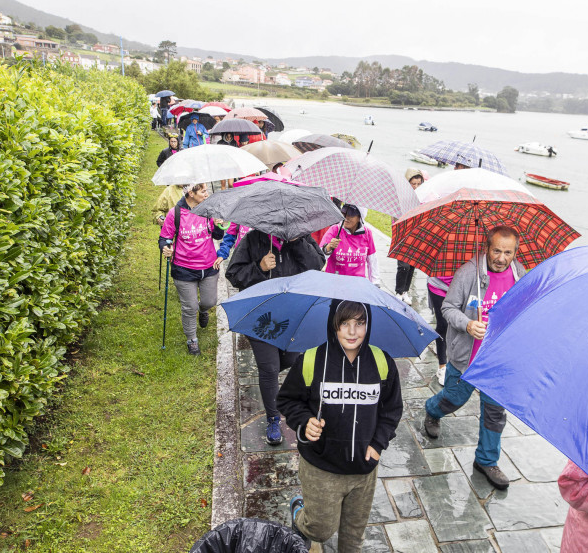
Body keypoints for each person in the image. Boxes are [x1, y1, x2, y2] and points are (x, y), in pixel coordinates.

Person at [278, 300, 402, 552]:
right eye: (344, 323)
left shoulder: (381, 362)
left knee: (353, 537)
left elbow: (392, 409)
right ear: (333, 325)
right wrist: (305, 422)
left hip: (363, 469)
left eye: (360, 323)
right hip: (321, 466)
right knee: (320, 530)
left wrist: (378, 444)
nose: (352, 332)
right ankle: (300, 512)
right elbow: (288, 399)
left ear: (369, 324)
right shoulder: (312, 360)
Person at [421, 226, 525, 490]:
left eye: (508, 252)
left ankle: (486, 460)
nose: (501, 258)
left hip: (498, 360)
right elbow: (447, 307)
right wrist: (467, 324)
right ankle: (432, 410)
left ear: (515, 253)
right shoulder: (468, 273)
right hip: (467, 357)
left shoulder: (519, 274)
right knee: (454, 398)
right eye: (497, 251)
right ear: (487, 248)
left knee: (494, 413)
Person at [225, 229, 325, 445]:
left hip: (292, 315)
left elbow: (317, 266)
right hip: (260, 315)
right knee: (269, 368)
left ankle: (266, 376)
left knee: (291, 359)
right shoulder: (253, 239)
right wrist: (259, 267)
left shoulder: (303, 238)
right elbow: (233, 274)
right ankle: (273, 419)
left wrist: (298, 242)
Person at [159, 183, 233, 355]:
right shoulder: (175, 213)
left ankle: (203, 310)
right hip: (184, 268)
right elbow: (164, 238)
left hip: (208, 265)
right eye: (203, 191)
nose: (207, 194)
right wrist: (165, 248)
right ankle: (192, 339)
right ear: (191, 193)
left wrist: (219, 225)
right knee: (189, 307)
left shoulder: (208, 210)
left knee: (209, 301)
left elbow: (216, 235)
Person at [320, 204, 380, 285]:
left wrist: (375, 283)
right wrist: (328, 247)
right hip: (334, 283)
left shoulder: (367, 233)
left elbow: (372, 260)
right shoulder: (334, 230)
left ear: (359, 217)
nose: (346, 218)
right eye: (344, 213)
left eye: (351, 214)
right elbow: (319, 257)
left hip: (357, 285)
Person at [394, 169, 425, 303]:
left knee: (412, 265)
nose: (416, 186)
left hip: (416, 235)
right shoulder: (401, 196)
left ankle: (405, 291)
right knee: (403, 265)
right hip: (402, 234)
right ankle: (398, 291)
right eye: (413, 183)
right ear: (407, 183)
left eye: (419, 183)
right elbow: (395, 217)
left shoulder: (423, 197)